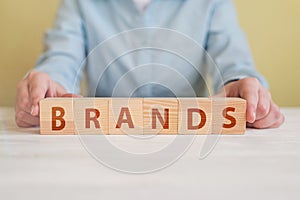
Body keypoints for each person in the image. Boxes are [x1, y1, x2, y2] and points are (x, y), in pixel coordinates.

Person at [15, 0, 284, 129]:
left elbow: (234, 61)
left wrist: (245, 90)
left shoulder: (213, 2)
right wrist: (45, 89)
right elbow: (61, 60)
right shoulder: (79, 3)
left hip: (191, 140)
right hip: (104, 140)